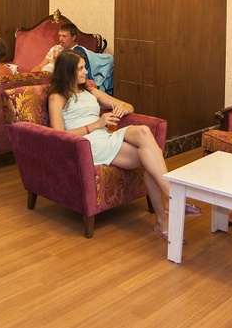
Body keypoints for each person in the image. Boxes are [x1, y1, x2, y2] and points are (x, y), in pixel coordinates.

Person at [47, 51, 201, 242]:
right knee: (151, 159)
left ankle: (170, 199)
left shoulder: (91, 91)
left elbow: (128, 106)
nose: (86, 71)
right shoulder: (57, 97)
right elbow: (58, 135)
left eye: (84, 67)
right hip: (87, 144)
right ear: (68, 71)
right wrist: (96, 124)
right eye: (80, 68)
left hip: (105, 135)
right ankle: (167, 212)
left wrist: (121, 109)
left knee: (144, 132)